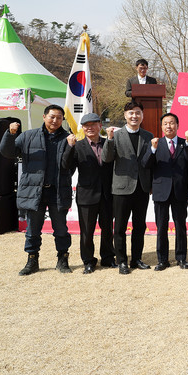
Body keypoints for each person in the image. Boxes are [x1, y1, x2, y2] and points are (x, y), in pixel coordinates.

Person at [0, 105, 73, 275]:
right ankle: (32, 260)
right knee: (32, 230)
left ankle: (62, 259)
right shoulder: (28, 136)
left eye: (59, 117)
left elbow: (70, 165)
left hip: (57, 191)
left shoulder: (68, 139)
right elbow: (7, 152)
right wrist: (10, 134)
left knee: (61, 230)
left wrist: (71, 147)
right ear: (44, 117)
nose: (55, 120)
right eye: (52, 116)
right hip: (34, 192)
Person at [102, 101, 154, 274]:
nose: (134, 116)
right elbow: (107, 158)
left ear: (142, 116)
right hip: (121, 188)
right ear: (125, 115)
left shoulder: (148, 136)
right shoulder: (116, 135)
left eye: (138, 113)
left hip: (142, 188)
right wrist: (109, 139)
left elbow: (150, 163)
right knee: (120, 227)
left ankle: (136, 259)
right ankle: (122, 261)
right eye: (131, 113)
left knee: (140, 226)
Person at [61, 112, 115, 274]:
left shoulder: (109, 142)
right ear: (82, 128)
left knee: (107, 229)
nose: (90, 128)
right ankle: (88, 261)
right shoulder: (77, 146)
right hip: (86, 195)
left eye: (93, 124)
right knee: (86, 231)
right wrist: (70, 147)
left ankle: (108, 257)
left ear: (100, 126)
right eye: (86, 125)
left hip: (107, 194)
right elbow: (65, 166)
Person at [141, 113, 188, 271]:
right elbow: (145, 164)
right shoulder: (155, 144)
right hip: (160, 191)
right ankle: (162, 260)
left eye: (172, 123)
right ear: (161, 127)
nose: (169, 126)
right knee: (161, 227)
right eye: (165, 123)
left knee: (180, 226)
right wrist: (152, 149)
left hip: (180, 191)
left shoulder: (185, 143)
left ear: (177, 125)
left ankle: (181, 258)